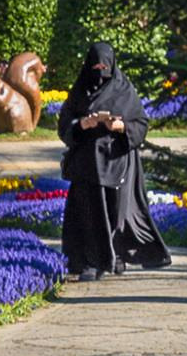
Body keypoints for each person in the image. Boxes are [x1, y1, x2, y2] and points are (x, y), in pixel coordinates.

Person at [58, 42, 168, 280]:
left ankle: (115, 256)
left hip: (117, 162)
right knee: (88, 214)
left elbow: (140, 124)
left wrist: (120, 126)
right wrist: (83, 125)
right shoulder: (80, 91)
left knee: (116, 212)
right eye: (96, 65)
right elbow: (65, 125)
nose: (100, 70)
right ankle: (90, 262)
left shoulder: (124, 90)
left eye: (104, 66)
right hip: (87, 165)